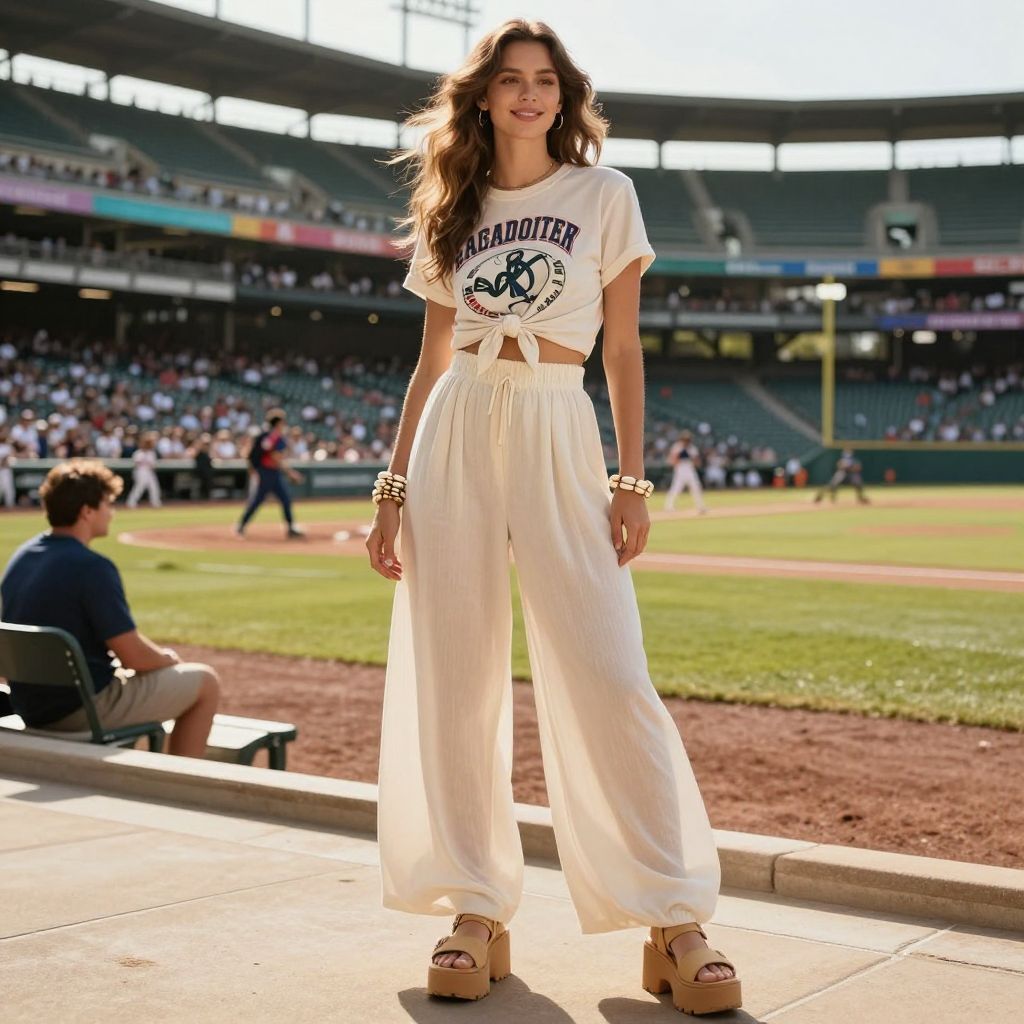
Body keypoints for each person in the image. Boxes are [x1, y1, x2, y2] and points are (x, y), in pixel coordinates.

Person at [367, 20, 740, 1014]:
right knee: (455, 675)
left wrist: (632, 479)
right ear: (483, 97)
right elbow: (429, 361)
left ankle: (672, 917)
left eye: (545, 81)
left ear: (564, 98)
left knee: (607, 669)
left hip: (554, 420)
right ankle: (475, 907)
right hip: (455, 427)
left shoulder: (604, 194)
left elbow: (622, 350)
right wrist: (391, 490)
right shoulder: (452, 204)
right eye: (510, 80)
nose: (528, 94)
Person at [0, 460, 219, 756]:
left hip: (29, 706)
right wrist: (166, 659)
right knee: (206, 683)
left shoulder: (22, 556)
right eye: (107, 504)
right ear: (87, 511)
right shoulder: (93, 567)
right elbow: (134, 657)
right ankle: (182, 780)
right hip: (81, 710)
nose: (111, 512)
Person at [236, 409, 304, 538]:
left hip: (269, 472)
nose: (284, 424)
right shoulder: (274, 437)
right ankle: (241, 525)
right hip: (268, 472)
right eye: (283, 422)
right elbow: (275, 456)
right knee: (259, 500)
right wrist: (290, 473)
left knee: (284, 499)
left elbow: (253, 453)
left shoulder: (265, 435)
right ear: (278, 423)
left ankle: (290, 528)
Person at [663, 430, 707, 514]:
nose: (686, 441)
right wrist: (678, 458)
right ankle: (669, 506)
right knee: (676, 489)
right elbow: (672, 460)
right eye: (685, 439)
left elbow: (697, 462)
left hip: (689, 468)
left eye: (687, 440)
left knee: (696, 487)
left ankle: (701, 507)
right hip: (680, 469)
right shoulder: (677, 447)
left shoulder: (692, 448)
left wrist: (692, 459)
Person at [125, 431, 161, 509]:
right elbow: (136, 464)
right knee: (139, 487)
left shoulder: (151, 453)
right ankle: (131, 502)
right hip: (140, 471)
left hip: (149, 472)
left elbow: (153, 465)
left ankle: (155, 502)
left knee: (154, 487)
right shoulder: (138, 453)